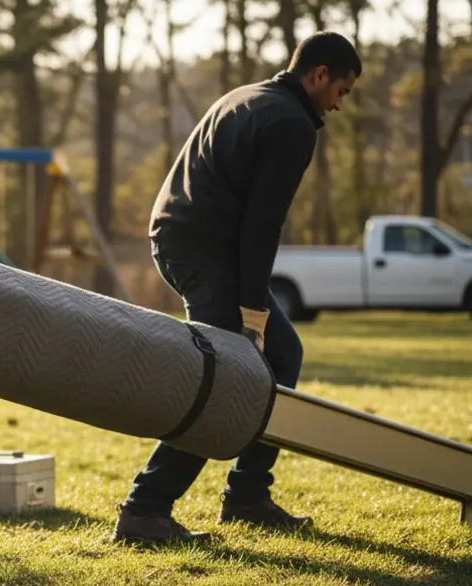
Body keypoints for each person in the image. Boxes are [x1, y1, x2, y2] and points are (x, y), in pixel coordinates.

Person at [112, 31, 361, 547]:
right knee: (225, 377)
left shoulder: (246, 96)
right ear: (319, 76)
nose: (338, 104)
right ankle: (146, 508)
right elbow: (261, 225)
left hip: (182, 240)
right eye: (342, 90)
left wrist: (259, 324)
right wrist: (251, 318)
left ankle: (247, 495)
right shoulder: (291, 124)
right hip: (204, 250)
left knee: (284, 355)